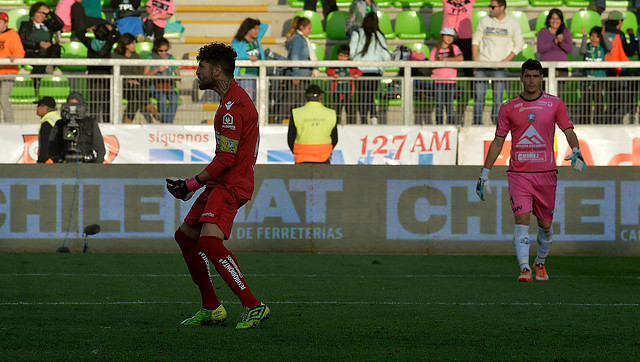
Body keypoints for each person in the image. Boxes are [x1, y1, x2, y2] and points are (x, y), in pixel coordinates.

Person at [165, 42, 270, 329]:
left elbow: (226, 159)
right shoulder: (232, 101)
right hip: (220, 184)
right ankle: (212, 307)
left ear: (217, 70)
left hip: (230, 184)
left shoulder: (232, 109)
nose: (197, 72)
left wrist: (191, 184)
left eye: (201, 67)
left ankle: (253, 305)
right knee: (186, 237)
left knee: (209, 242)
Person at [476, 59, 585, 283]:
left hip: (546, 173)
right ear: (521, 78)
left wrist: (576, 149)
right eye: (527, 76)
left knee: (545, 225)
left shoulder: (554, 104)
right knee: (522, 220)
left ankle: (540, 263)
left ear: (542, 78)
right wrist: (484, 173)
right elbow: (498, 141)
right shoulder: (508, 107)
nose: (531, 80)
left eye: (535, 76)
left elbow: (568, 129)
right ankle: (525, 268)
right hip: (519, 173)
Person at [471, 0, 523, 125]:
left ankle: (496, 125)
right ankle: (477, 123)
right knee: (479, 97)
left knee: (498, 98)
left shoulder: (513, 24)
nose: (490, 9)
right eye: (489, 6)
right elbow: (475, 40)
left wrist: (506, 60)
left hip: (500, 67)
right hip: (482, 64)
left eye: (493, 7)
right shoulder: (485, 20)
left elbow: (519, 43)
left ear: (502, 7)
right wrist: (475, 61)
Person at [349, 11, 390, 125]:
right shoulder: (379, 35)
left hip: (360, 70)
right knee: (370, 95)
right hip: (375, 71)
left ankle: (363, 121)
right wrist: (382, 68)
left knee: (362, 96)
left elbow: (352, 52)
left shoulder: (357, 33)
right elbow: (386, 56)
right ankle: (373, 117)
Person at [76, 23, 119, 123]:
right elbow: (119, 36)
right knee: (106, 101)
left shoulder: (89, 42)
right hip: (107, 75)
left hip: (93, 75)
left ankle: (94, 123)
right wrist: (112, 29)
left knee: (94, 101)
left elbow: (79, 33)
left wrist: (87, 28)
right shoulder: (109, 41)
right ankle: (107, 122)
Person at [18, 2, 63, 95]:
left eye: (44, 13)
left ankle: (50, 66)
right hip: (32, 52)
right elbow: (22, 40)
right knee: (40, 62)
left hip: (47, 52)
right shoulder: (26, 25)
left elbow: (60, 24)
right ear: (33, 12)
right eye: (40, 12)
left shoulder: (48, 24)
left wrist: (50, 13)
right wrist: (38, 44)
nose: (42, 15)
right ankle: (36, 87)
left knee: (56, 47)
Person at [49, 92, 106, 163]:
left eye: (77, 106)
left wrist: (96, 166)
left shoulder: (90, 123)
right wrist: (58, 161)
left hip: (86, 164)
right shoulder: (60, 124)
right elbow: (52, 146)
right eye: (70, 106)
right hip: (64, 165)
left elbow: (100, 147)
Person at [278, 16, 316, 122]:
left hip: (303, 76)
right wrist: (296, 75)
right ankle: (278, 122)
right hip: (299, 76)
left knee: (300, 103)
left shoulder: (301, 39)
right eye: (308, 28)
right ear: (302, 27)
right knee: (289, 101)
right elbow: (294, 57)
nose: (310, 31)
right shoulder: (298, 40)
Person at [287, 84, 338, 163]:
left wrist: (297, 152)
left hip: (301, 156)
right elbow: (335, 138)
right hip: (323, 156)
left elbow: (291, 138)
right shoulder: (331, 113)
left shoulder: (296, 113)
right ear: (320, 97)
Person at [112, 33, 154, 123]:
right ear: (126, 45)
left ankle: (126, 122)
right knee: (138, 93)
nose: (135, 45)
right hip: (122, 87)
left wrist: (135, 80)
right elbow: (114, 74)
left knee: (135, 98)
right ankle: (151, 109)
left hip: (136, 88)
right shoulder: (115, 56)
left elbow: (139, 74)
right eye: (133, 43)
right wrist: (127, 80)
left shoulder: (136, 56)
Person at [604, 10, 636, 124]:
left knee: (613, 102)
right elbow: (630, 51)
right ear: (619, 21)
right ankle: (613, 125)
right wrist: (632, 35)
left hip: (608, 72)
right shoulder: (619, 34)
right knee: (624, 104)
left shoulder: (604, 33)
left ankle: (607, 125)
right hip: (620, 73)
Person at [429, 27, 463, 125]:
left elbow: (460, 58)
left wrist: (446, 60)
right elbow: (430, 64)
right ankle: (439, 125)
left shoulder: (455, 48)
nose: (449, 38)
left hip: (451, 81)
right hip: (438, 81)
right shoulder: (435, 50)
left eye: (451, 36)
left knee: (449, 105)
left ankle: (450, 125)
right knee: (439, 105)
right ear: (442, 36)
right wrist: (438, 62)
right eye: (447, 35)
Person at [537, 8, 572, 99]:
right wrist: (554, 42)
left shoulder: (565, 31)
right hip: (545, 68)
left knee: (558, 96)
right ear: (549, 19)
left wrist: (561, 42)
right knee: (545, 96)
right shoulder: (543, 31)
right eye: (553, 18)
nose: (555, 21)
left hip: (561, 68)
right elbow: (540, 49)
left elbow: (569, 49)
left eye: (557, 18)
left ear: (561, 20)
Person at [231, 18, 268, 102]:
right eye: (254, 29)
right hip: (245, 75)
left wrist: (255, 23)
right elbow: (234, 54)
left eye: (257, 28)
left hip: (258, 74)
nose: (257, 31)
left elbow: (265, 26)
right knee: (247, 101)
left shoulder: (256, 39)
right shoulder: (238, 41)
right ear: (247, 29)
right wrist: (248, 57)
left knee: (257, 101)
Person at [143, 37, 180, 123]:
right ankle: (167, 125)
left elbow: (178, 75)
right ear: (156, 49)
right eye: (161, 51)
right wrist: (157, 70)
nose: (163, 53)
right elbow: (145, 76)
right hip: (155, 86)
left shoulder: (170, 58)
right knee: (162, 99)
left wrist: (175, 75)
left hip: (168, 85)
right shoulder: (151, 57)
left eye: (165, 50)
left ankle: (167, 124)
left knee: (174, 98)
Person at [579, 26, 610, 124]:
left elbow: (610, 47)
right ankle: (584, 124)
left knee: (599, 103)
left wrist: (604, 35)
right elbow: (582, 51)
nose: (593, 39)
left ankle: (599, 124)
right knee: (585, 104)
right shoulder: (587, 46)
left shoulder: (602, 47)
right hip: (586, 80)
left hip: (599, 80)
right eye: (592, 36)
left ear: (600, 38)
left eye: (596, 37)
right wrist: (584, 37)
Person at [326, 44, 362, 124]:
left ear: (348, 57)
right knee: (336, 111)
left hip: (348, 92)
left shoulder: (351, 65)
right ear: (337, 55)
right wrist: (333, 74)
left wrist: (357, 75)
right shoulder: (334, 65)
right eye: (341, 56)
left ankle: (351, 126)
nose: (342, 58)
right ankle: (336, 126)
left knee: (350, 111)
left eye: (345, 56)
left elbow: (359, 71)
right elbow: (329, 71)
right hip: (337, 92)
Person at [0, 11, 25, 123]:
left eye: (0, 22)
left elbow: (20, 52)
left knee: (3, 99)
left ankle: (9, 125)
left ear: (6, 23)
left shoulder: (12, 35)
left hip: (7, 71)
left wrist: (14, 56)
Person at [441, 0, 475, 79]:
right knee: (445, 65)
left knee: (468, 66)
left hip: (465, 37)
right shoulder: (446, 1)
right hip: (448, 37)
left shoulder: (470, 1)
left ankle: (472, 89)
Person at [35, 96, 61, 163]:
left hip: (49, 161)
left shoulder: (47, 123)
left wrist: (42, 161)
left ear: (45, 108)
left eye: (39, 105)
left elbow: (45, 145)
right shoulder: (59, 119)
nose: (37, 108)